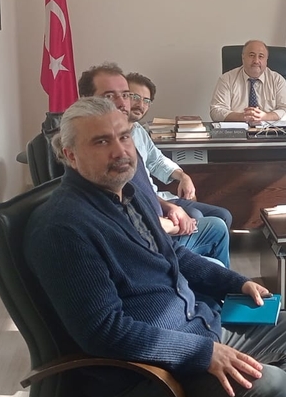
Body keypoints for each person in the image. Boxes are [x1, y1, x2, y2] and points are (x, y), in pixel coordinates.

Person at [26, 97, 286, 397]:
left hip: (193, 328)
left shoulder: (127, 193)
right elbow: (105, 331)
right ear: (70, 155)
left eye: (124, 136)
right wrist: (203, 353)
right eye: (101, 141)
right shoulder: (63, 228)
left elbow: (171, 253)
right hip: (144, 373)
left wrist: (236, 282)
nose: (120, 151)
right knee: (273, 388)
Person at [78, 63, 230, 265]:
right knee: (203, 224)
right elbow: (122, 212)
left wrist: (180, 181)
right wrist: (168, 223)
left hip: (153, 210)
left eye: (125, 95)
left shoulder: (137, 132)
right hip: (142, 243)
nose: (123, 103)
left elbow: (149, 173)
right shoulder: (92, 157)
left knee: (218, 223)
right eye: (109, 96)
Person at [127, 71, 234, 229]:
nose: (141, 105)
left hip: (160, 197)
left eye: (146, 100)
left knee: (223, 215)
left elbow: (157, 161)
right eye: (135, 97)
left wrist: (184, 177)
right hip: (146, 202)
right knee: (196, 216)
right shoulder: (114, 137)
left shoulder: (138, 130)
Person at [210, 40, 286, 125]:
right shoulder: (227, 79)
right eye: (251, 55)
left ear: (266, 60)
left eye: (261, 56)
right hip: (237, 131)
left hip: (270, 131)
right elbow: (216, 111)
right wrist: (241, 117)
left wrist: (265, 116)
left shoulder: (277, 80)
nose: (256, 61)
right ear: (243, 57)